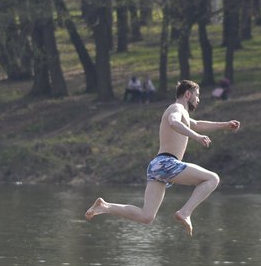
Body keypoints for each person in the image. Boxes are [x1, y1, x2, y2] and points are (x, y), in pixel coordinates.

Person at [85, 79, 240, 236]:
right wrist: (197, 137)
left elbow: (198, 123)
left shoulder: (183, 113)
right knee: (212, 179)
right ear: (188, 94)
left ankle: (105, 207)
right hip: (167, 163)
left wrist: (225, 125)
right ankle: (185, 212)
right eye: (197, 95)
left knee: (146, 216)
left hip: (157, 166)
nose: (198, 100)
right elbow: (173, 122)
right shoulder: (177, 107)